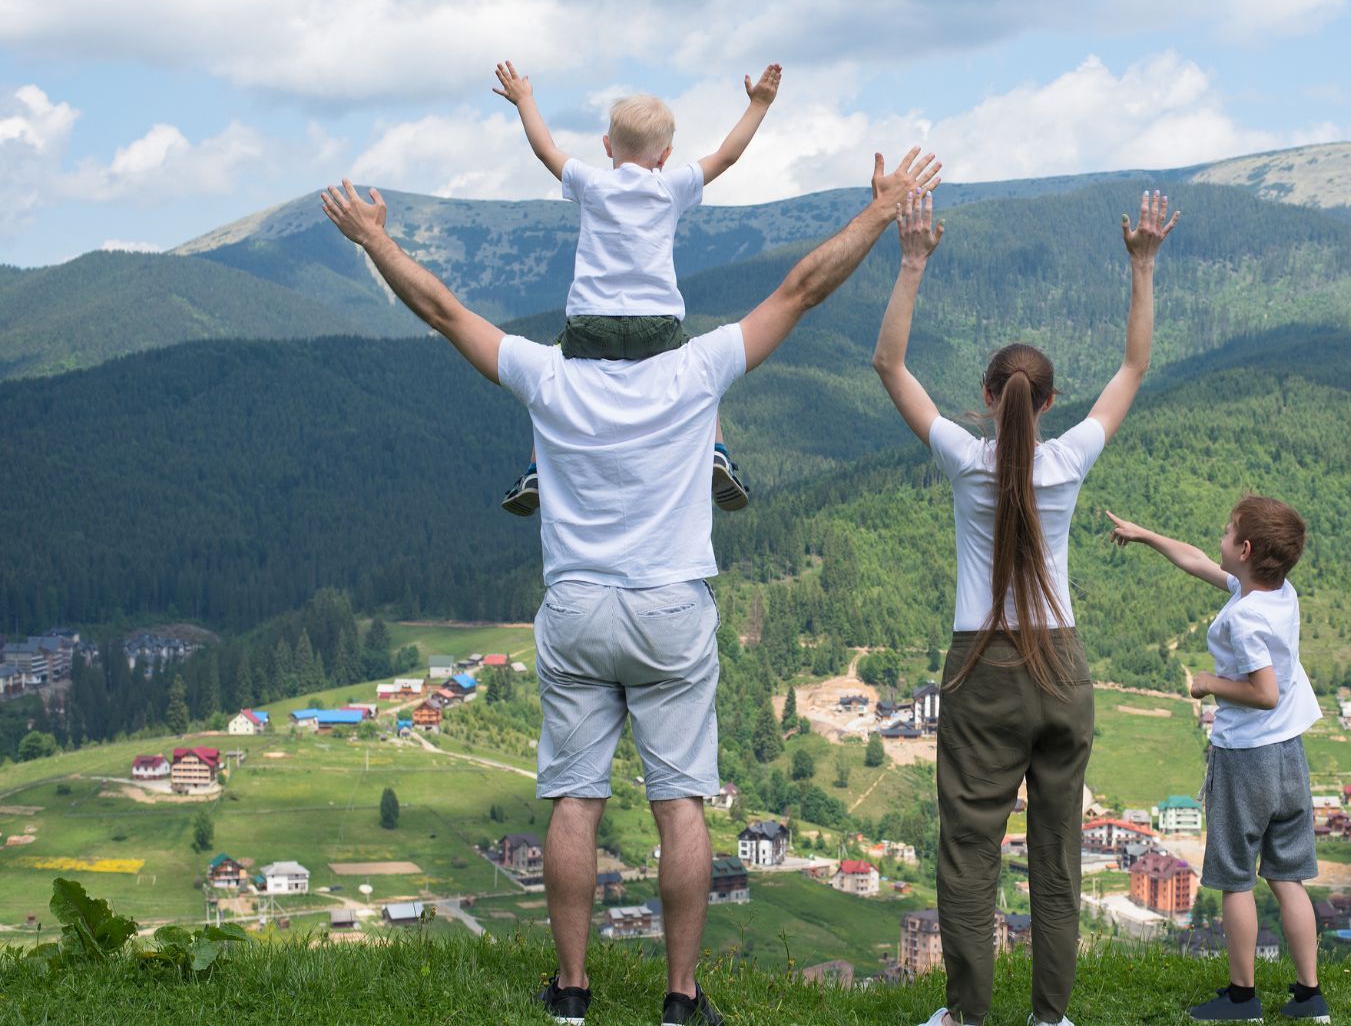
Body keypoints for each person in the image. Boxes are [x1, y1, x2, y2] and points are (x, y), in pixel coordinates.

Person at [319, 144, 942, 1026]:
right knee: (678, 805)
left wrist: (374, 241)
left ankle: (571, 993)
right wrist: (881, 213)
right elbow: (803, 288)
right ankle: (679, 1001)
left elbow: (441, 308)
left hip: (576, 606)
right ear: (664, 313)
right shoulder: (697, 371)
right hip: (668, 608)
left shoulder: (549, 376)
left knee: (574, 799)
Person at [871, 189, 1178, 1026]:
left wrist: (912, 259)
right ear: (1045, 406)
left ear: (985, 397)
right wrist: (1142, 265)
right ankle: (1051, 1017)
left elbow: (889, 365)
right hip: (1062, 666)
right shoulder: (1069, 461)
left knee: (970, 853)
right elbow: (1133, 370)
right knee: (1057, 853)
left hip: (983, 666)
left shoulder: (965, 461)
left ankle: (968, 1016)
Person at [490, 59, 782, 517]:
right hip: (656, 325)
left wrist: (524, 100)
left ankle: (535, 467)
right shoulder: (671, 186)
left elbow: (545, 149)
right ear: (665, 156)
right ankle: (716, 451)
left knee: (550, 378)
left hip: (590, 325)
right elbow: (726, 155)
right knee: (699, 374)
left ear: (607, 146)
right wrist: (759, 105)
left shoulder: (591, 184)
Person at [1104, 500, 1331, 1023]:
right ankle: (1309, 997)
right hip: (1290, 757)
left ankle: (1242, 998)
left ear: (1246, 550)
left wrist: (1208, 684)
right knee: (1288, 877)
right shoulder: (1277, 595)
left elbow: (1265, 692)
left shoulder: (1247, 616)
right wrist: (1145, 534)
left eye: (1228, 532)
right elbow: (1197, 561)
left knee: (1235, 880)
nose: (1220, 538)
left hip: (1246, 760)